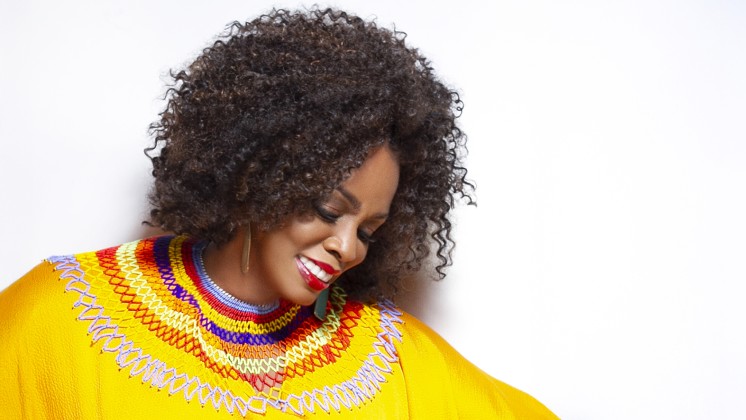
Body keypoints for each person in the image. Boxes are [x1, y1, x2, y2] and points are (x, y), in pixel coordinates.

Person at [0, 7, 555, 419]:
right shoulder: (63, 319)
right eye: (326, 209)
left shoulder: (388, 358)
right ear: (256, 175)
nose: (348, 246)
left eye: (368, 230)